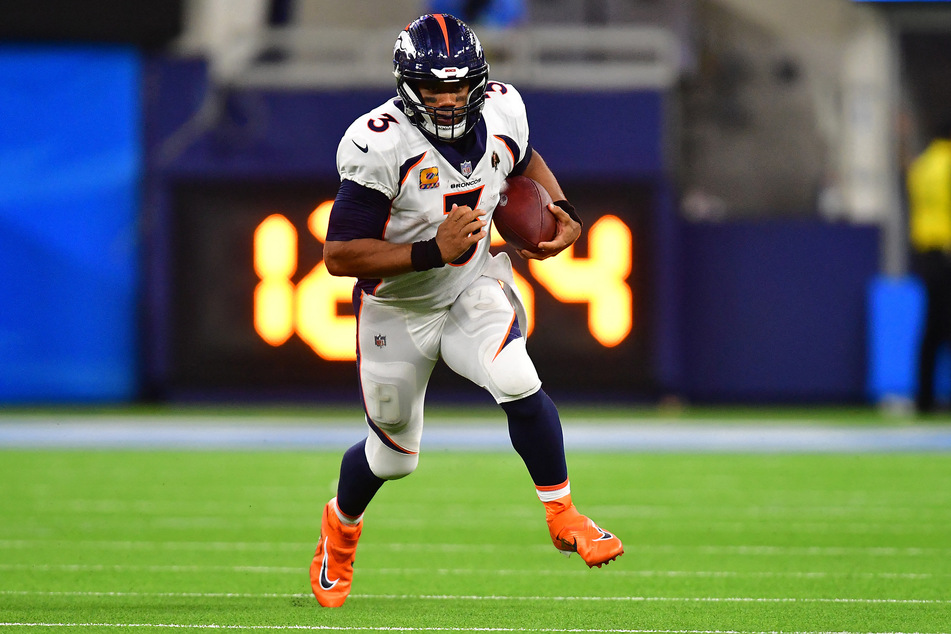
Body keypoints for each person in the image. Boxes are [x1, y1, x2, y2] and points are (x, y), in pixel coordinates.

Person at [309, 13, 624, 608]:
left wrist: (562, 208)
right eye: (435, 87)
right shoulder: (378, 141)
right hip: (396, 308)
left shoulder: (504, 108)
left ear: (479, 81)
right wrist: (431, 248)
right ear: (409, 85)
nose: (450, 99)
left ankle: (563, 514)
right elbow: (339, 254)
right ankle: (341, 526)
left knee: (515, 376)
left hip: (472, 283)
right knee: (391, 458)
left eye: (459, 86)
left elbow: (525, 159)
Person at [907, 120, 951, 414]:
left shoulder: (921, 165)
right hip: (946, 251)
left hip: (924, 252)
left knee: (931, 327)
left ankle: (923, 397)